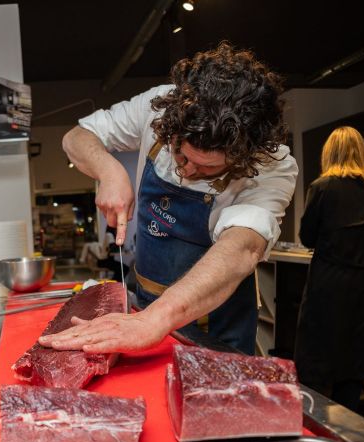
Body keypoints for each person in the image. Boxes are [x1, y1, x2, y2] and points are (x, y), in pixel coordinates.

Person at [45, 42, 297, 355]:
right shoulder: (160, 105)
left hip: (216, 332)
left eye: (207, 167)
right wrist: (108, 172)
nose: (187, 171)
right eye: (180, 154)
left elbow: (240, 249)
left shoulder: (272, 167)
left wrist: (153, 322)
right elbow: (77, 138)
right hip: (146, 314)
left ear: (244, 156)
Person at [294, 126, 364, 410]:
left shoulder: (322, 187)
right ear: (362, 151)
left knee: (322, 352)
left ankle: (316, 418)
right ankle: (348, 420)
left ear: (329, 153)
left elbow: (307, 237)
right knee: (358, 354)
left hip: (330, 284)